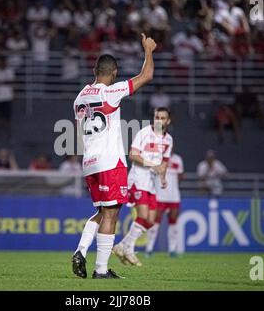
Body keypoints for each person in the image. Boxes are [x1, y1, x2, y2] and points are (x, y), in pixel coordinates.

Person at [71, 33, 157, 279]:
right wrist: (148, 50)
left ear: (95, 70)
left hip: (89, 163)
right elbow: (146, 76)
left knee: (101, 212)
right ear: (114, 72)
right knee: (112, 213)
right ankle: (100, 270)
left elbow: (79, 131)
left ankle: (81, 251)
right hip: (110, 161)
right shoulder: (111, 92)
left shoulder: (79, 98)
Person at [112, 107, 173, 267]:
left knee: (151, 221)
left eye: (162, 118)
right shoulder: (143, 133)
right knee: (144, 215)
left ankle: (121, 246)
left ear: (168, 121)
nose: (159, 120)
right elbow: (133, 155)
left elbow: (165, 161)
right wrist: (154, 165)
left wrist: (163, 177)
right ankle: (129, 249)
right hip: (138, 178)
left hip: (152, 182)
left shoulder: (168, 140)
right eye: (157, 117)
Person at [145, 151, 184, 258]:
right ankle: (149, 249)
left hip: (174, 197)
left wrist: (173, 185)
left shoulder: (177, 159)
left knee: (173, 223)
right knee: (155, 224)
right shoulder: (157, 158)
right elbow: (150, 174)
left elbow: (180, 175)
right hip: (160, 196)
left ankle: (172, 250)